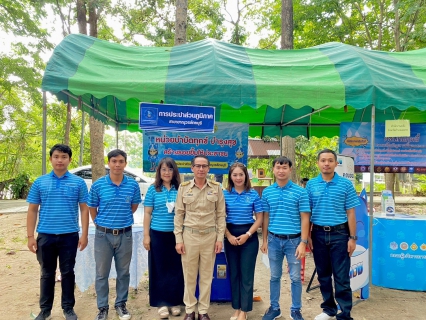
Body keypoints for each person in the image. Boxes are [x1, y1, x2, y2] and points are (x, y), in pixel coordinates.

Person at [26, 144, 89, 320]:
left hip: (69, 235)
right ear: (50, 159)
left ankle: (68, 308)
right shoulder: (40, 182)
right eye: (56, 156)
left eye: (63, 157)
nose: (59, 160)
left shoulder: (78, 182)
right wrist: (31, 236)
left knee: (68, 272)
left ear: (69, 159)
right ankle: (45, 310)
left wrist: (84, 234)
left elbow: (84, 209)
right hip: (45, 235)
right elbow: (32, 210)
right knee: (47, 273)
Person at [88, 149, 142, 320]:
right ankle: (102, 307)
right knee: (101, 273)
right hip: (103, 235)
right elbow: (92, 207)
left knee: (123, 272)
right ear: (109, 163)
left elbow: (133, 207)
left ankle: (121, 304)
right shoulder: (98, 185)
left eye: (120, 161)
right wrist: (101, 224)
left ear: (125, 163)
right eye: (113, 161)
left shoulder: (132, 185)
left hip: (125, 235)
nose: (117, 164)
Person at [305, 149, 359, 320]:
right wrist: (307, 237)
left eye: (330, 160)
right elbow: (307, 212)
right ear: (318, 163)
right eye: (323, 160)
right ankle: (329, 309)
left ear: (336, 163)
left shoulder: (345, 184)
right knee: (323, 276)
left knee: (342, 277)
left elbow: (351, 213)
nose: (326, 163)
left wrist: (352, 238)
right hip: (318, 235)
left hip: (340, 235)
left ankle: (345, 313)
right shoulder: (311, 185)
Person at [174, 155, 226, 320]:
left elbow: (220, 216)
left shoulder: (217, 188)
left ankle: (203, 311)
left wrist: (219, 238)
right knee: (189, 275)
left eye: (204, 166)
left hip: (210, 237)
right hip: (189, 236)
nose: (201, 169)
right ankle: (190, 310)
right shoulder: (184, 188)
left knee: (206, 276)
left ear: (209, 168)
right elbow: (179, 215)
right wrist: (179, 239)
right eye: (198, 166)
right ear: (192, 168)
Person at [260, 156, 311, 320]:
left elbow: (305, 218)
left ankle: (296, 309)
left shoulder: (300, 192)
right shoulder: (267, 192)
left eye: (284, 168)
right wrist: (265, 240)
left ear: (290, 170)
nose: (281, 170)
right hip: (274, 240)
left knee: (295, 277)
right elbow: (266, 217)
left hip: (294, 241)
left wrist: (303, 242)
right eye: (278, 167)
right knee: (274, 276)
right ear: (273, 170)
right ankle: (275, 308)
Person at [143, 157, 184, 319]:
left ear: (174, 172)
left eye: (170, 169)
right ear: (159, 172)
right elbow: (147, 213)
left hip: (177, 236)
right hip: (157, 235)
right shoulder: (153, 189)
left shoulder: (180, 189)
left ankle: (174, 302)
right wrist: (146, 236)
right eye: (163, 169)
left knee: (176, 268)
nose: (167, 172)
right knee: (159, 269)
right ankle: (161, 303)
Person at [223, 163, 263, 320]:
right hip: (230, 235)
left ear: (246, 176)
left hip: (249, 236)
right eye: (235, 175)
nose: (238, 178)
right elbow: (220, 217)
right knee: (234, 274)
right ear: (230, 177)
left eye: (241, 174)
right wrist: (228, 235)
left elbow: (259, 218)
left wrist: (247, 234)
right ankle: (236, 308)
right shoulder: (224, 194)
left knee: (246, 274)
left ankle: (244, 310)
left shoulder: (253, 194)